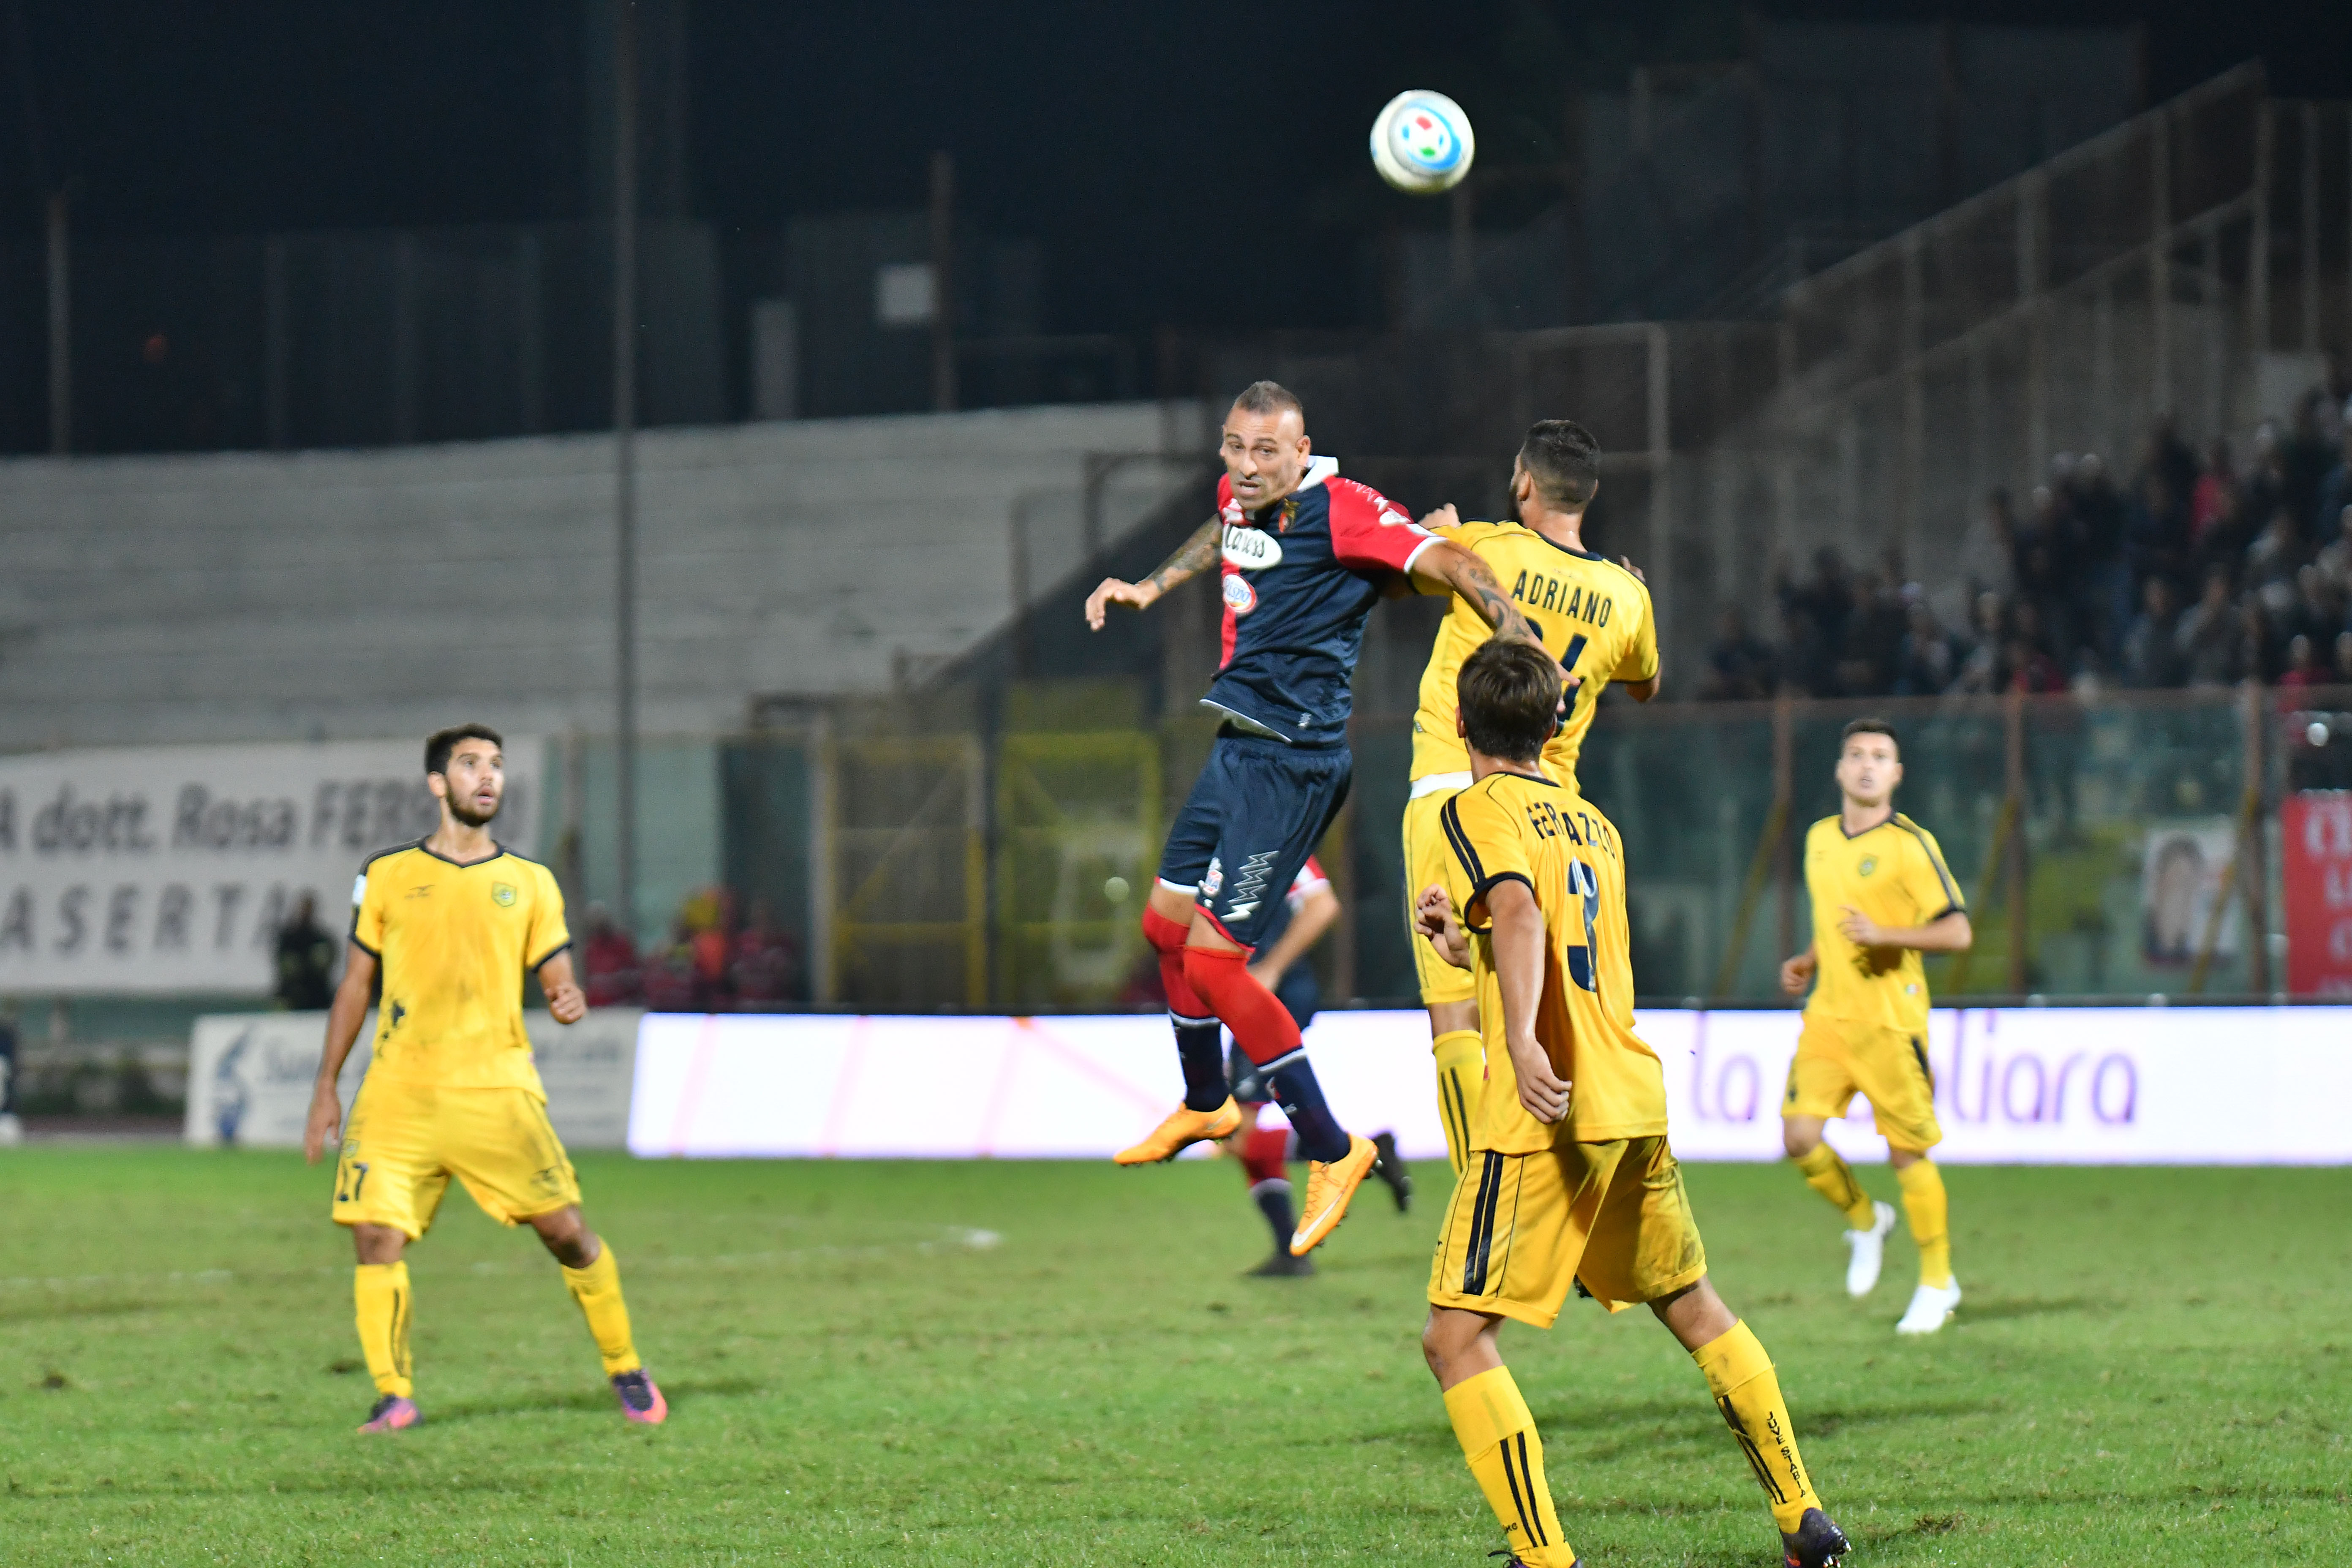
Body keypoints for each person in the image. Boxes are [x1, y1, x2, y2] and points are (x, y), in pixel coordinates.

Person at [1084, 380, 1548, 1258]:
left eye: (1268, 452)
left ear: (1304, 451)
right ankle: (1204, 1099)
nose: (1248, 466)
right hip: (1237, 743)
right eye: (1235, 446)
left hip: (1292, 760)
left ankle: (1335, 1148)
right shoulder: (1240, 497)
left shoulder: (1344, 508)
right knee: (1164, 925)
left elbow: (1451, 563)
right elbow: (1221, 531)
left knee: (1218, 967)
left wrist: (1515, 633)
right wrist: (1150, 587)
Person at [1413, 641, 1850, 1568]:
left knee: (1454, 1340)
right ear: (1553, 725)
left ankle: (1546, 1559)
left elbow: (1527, 916)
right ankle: (1802, 1512)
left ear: (1461, 725)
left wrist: (1523, 1042)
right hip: (1632, 1097)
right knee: (1694, 1305)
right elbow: (1553, 945)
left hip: (1546, 1110)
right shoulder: (1594, 824)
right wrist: (1465, 944)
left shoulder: (1474, 806)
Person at [302, 724, 664, 1432]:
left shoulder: (530, 881)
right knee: (374, 1235)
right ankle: (392, 1393)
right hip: (399, 1087)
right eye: (470, 765)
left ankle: (625, 1364)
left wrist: (566, 996)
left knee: (566, 1233)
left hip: (495, 1088)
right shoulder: (384, 874)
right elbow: (355, 984)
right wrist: (326, 1084)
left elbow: (556, 970)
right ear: (438, 783)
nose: (487, 776)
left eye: (496, 765)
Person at [1402, 419, 1659, 1176]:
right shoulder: (1624, 593)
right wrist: (1631, 595)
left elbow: (1408, 557)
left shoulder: (1487, 548)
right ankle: (1571, 1182)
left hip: (1460, 787)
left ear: (1523, 483)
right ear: (1591, 494)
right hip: (1556, 811)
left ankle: (1479, 1197)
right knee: (1542, 1007)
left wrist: (1444, 534)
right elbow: (1645, 683)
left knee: (1457, 1011)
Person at [1777, 719, 1973, 1336]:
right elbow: (1835, 919)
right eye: (1856, 755)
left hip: (1892, 1023)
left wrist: (1886, 934)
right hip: (1829, 1018)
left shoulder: (1912, 846)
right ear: (1839, 770)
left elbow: (1958, 931)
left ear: (1896, 775)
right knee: (1799, 1138)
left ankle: (1938, 1283)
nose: (1866, 765)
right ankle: (1865, 1220)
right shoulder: (1817, 840)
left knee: (1906, 1152)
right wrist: (1811, 957)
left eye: (1880, 756)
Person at [1222, 858, 1410, 1277]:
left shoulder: (1278, 845)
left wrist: (1272, 968)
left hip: (1275, 1000)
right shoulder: (1235, 847)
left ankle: (1363, 1156)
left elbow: (1323, 906)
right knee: (1241, 1137)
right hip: (1255, 1001)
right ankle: (1292, 1252)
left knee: (1237, 1136)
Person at [273, 893, 338, 1011]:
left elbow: (325, 967)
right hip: (292, 999)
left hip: (318, 999)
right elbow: (285, 969)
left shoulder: (322, 939)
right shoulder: (289, 940)